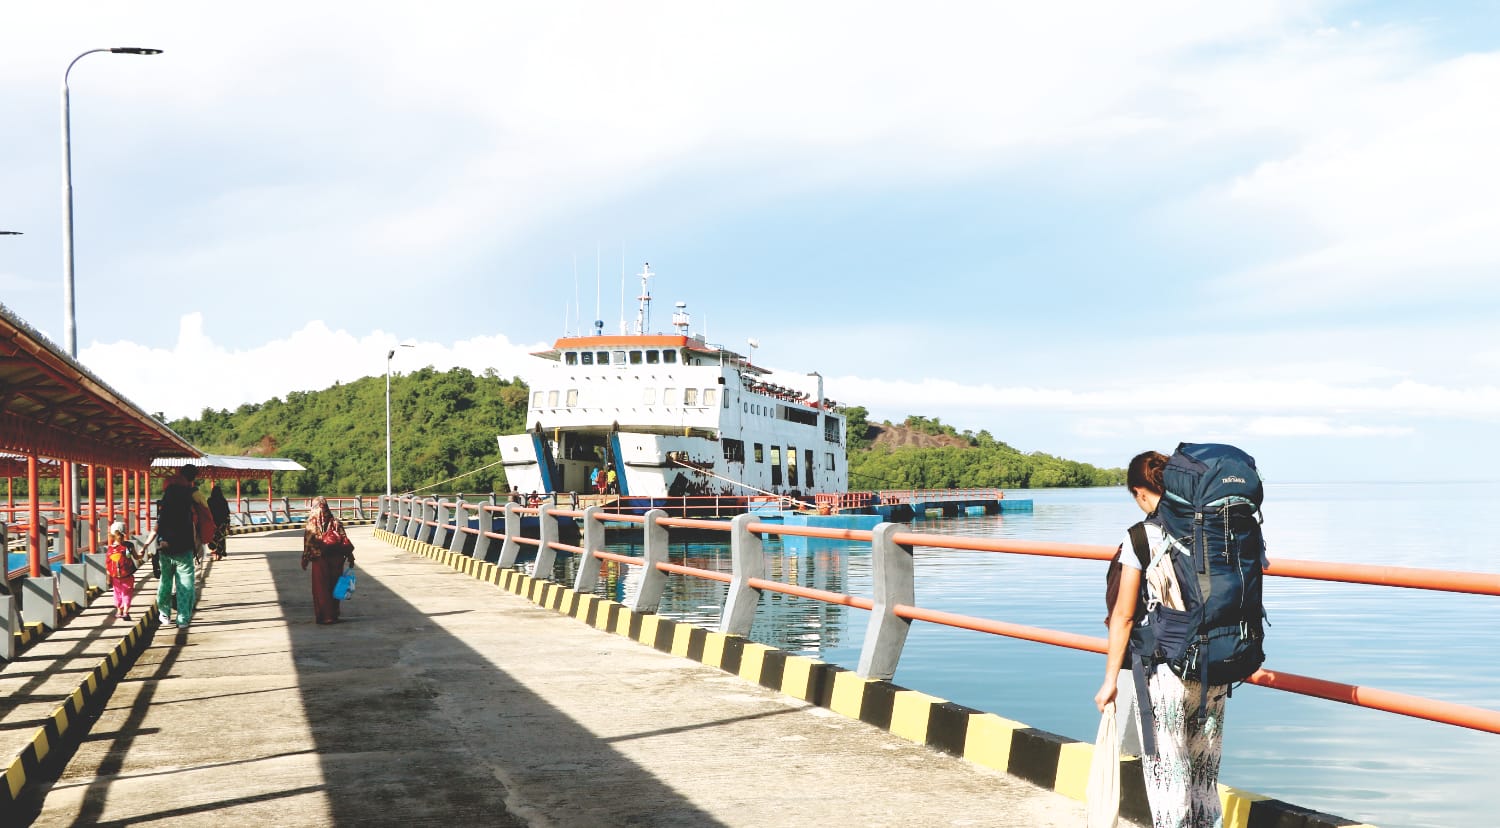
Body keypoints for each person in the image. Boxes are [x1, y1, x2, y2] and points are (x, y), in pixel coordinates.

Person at [1096, 451, 1230, 828]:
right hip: (1215, 668)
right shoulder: (1212, 528)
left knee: (1169, 780)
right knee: (1204, 778)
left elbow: (1123, 616)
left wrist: (1110, 682)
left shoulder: (1141, 537)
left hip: (1166, 672)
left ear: (1139, 492)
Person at [156, 463, 216, 629]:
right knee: (186, 582)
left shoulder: (167, 491)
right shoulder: (193, 493)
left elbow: (160, 521)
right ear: (193, 477)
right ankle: (182, 618)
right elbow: (206, 511)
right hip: (185, 545)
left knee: (165, 581)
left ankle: (164, 613)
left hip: (166, 545)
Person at [302, 495, 355, 624]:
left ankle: (325, 616)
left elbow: (309, 543)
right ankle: (334, 614)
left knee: (321, 589)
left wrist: (305, 559)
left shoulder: (312, 523)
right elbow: (344, 540)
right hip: (337, 560)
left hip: (320, 560)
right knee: (334, 586)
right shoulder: (335, 522)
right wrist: (350, 557)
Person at [105, 521, 141, 620]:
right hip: (128, 575)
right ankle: (125, 611)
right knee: (127, 593)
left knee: (117, 593)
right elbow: (136, 557)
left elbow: (107, 566)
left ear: (111, 535)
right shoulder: (129, 545)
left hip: (116, 577)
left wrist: (108, 579)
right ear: (125, 533)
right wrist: (141, 554)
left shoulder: (110, 549)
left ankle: (119, 610)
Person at [207, 483, 232, 560]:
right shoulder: (223, 501)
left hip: (212, 523)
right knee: (221, 538)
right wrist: (228, 525)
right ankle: (219, 554)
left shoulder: (209, 500)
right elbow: (227, 513)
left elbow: (207, 512)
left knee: (213, 538)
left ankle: (215, 553)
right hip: (222, 523)